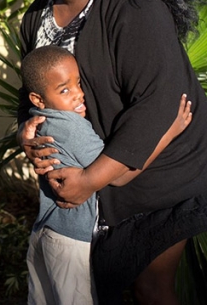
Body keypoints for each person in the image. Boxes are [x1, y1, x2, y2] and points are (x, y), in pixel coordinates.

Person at [15, 0, 207, 305]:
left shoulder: (133, 6)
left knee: (150, 286)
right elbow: (31, 95)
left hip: (160, 171)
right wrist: (26, 132)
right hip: (94, 179)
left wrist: (91, 180)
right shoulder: (34, 18)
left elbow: (159, 101)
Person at [21, 45, 192, 305]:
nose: (79, 95)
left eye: (78, 83)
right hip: (69, 239)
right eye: (64, 90)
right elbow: (119, 173)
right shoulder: (71, 127)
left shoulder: (39, 119)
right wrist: (170, 132)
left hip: (45, 233)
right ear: (38, 99)